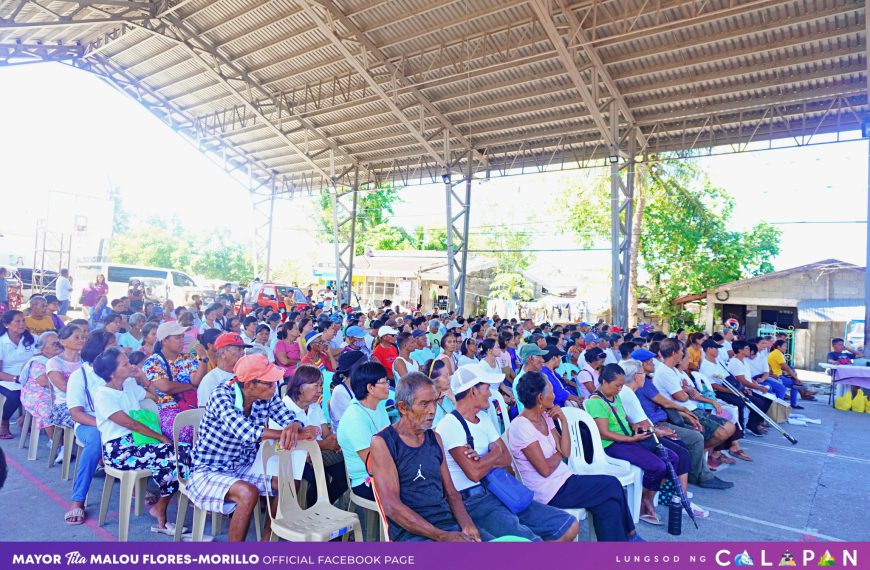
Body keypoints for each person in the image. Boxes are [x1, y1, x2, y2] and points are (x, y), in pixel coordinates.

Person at [435, 365, 579, 541]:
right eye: (487, 388)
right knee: (532, 542)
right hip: (476, 500)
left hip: (500, 490)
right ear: (473, 391)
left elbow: (505, 457)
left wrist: (484, 459)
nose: (490, 393)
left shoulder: (484, 419)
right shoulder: (450, 425)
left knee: (569, 526)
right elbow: (474, 473)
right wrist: (494, 453)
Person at [186, 354, 313, 542]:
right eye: (269, 383)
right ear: (249, 385)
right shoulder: (221, 395)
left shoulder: (266, 394)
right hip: (208, 469)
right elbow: (246, 432)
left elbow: (289, 416)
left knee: (290, 483)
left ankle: (267, 540)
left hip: (243, 465)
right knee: (248, 492)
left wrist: (294, 426)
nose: (274, 387)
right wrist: (286, 433)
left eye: (275, 382)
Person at [509, 370, 641, 541]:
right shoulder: (521, 427)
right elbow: (545, 469)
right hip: (548, 491)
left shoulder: (545, 417)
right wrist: (559, 453)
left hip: (564, 479)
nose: (555, 395)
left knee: (608, 504)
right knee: (611, 484)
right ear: (540, 398)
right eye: (551, 392)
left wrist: (563, 421)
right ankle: (631, 535)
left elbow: (566, 451)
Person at [368, 372, 485, 541]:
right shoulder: (383, 443)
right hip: (412, 533)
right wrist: (441, 536)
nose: (432, 410)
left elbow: (452, 493)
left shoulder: (434, 438)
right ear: (402, 407)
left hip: (446, 524)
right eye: (424, 404)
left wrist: (466, 524)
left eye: (434, 402)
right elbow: (392, 507)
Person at [586, 364, 689, 525]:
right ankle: (644, 505)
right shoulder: (595, 402)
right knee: (658, 466)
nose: (620, 389)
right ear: (604, 382)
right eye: (617, 385)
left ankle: (648, 497)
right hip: (613, 444)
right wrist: (632, 439)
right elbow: (604, 433)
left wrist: (634, 427)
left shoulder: (615, 395)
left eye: (621, 385)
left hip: (629, 438)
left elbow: (622, 417)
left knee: (673, 458)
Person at [92, 347, 182, 533]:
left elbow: (155, 397)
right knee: (172, 455)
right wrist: (160, 437)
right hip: (119, 449)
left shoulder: (129, 385)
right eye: (125, 364)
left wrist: (142, 378)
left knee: (184, 451)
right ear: (111, 373)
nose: (131, 366)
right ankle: (161, 510)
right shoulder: (103, 394)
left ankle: (161, 507)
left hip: (139, 441)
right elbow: (131, 424)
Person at [65, 330, 146, 525]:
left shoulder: (120, 371)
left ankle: (134, 482)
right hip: (90, 422)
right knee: (96, 440)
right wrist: (105, 424)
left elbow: (139, 397)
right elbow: (76, 413)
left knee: (146, 432)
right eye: (112, 346)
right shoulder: (80, 375)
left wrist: (141, 377)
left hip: (119, 420)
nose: (117, 350)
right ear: (99, 351)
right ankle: (78, 500)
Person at [279, 365, 348, 506]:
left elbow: (326, 433)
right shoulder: (283, 408)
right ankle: (311, 510)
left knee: (344, 477)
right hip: (294, 458)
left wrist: (333, 442)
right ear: (300, 387)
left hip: (317, 454)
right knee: (317, 478)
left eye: (321, 385)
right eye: (316, 386)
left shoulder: (314, 406)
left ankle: (321, 507)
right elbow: (283, 446)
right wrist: (323, 445)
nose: (320, 390)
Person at [142, 321, 207, 440]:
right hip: (167, 409)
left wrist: (203, 359)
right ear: (164, 340)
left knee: (208, 429)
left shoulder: (187, 357)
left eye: (182, 336)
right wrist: (190, 386)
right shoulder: (153, 362)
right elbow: (166, 387)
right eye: (178, 337)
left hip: (191, 405)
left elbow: (196, 381)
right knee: (187, 432)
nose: (182, 340)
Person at [337, 361, 391, 501]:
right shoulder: (355, 417)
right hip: (366, 480)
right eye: (384, 382)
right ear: (370, 388)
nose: (388, 386)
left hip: (386, 471)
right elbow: (371, 465)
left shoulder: (378, 406)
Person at [19, 332, 62, 446]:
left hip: (56, 391)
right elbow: (43, 382)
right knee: (48, 409)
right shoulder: (38, 361)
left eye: (59, 343)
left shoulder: (60, 359)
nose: (58, 346)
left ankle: (65, 438)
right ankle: (56, 443)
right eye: (54, 344)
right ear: (43, 348)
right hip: (35, 394)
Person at [46, 324, 85, 447]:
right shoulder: (54, 362)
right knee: (91, 422)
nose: (81, 340)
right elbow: (64, 387)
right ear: (63, 342)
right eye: (77, 337)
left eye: (83, 337)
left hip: (86, 402)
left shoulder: (86, 360)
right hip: (64, 406)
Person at [0, 310, 38, 438]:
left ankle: (25, 418)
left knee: (45, 392)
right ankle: (4, 421)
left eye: (23, 321)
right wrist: (16, 378)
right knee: (16, 393)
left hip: (30, 377)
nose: (22, 324)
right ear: (6, 324)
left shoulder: (32, 339)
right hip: (6, 379)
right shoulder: (1, 342)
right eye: (18, 321)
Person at [197, 333, 250, 407]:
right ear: (223, 353)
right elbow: (204, 410)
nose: (243, 352)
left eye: (243, 349)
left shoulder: (247, 374)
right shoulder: (211, 380)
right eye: (239, 349)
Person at [425, 358, 455, 426]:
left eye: (448, 375)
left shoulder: (450, 392)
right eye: (445, 376)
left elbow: (466, 416)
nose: (449, 378)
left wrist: (453, 399)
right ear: (433, 381)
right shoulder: (426, 404)